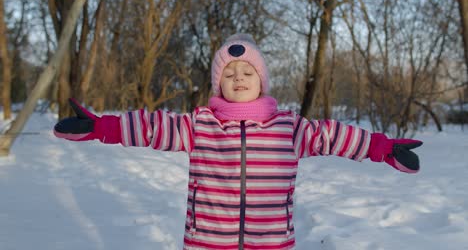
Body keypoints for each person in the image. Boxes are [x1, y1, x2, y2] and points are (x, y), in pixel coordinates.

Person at [53, 33, 423, 250]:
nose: (239, 77)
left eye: (248, 71)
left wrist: (382, 148)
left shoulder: (288, 128)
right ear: (219, 85)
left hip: (272, 242)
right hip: (208, 241)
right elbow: (152, 127)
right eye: (229, 74)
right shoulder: (201, 125)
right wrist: (103, 127)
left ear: (262, 81)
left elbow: (334, 136)